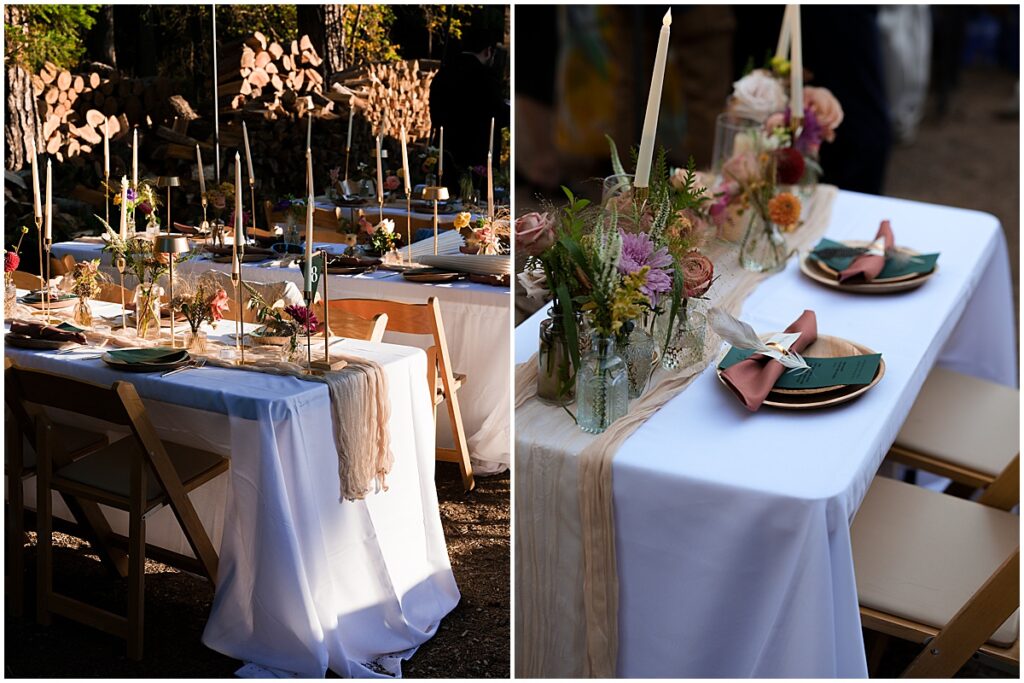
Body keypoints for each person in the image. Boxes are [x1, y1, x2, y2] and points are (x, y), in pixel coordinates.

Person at [429, 24, 509, 186]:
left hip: (447, 156)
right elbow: (499, 114)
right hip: (478, 160)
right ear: (488, 51)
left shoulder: (443, 74)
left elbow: (435, 115)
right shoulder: (485, 77)